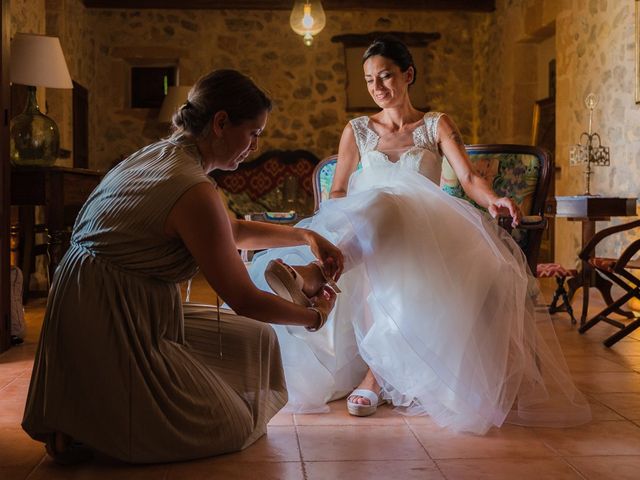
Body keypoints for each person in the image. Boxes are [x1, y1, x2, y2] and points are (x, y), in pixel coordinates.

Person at [249, 36, 591, 434]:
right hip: (361, 229)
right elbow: (338, 190)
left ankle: (320, 285)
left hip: (425, 232)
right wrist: (340, 219)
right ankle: (358, 348)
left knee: (389, 206)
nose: (377, 87)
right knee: (377, 211)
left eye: (386, 76)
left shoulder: (435, 125)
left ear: (408, 75)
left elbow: (467, 178)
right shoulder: (357, 130)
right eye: (369, 80)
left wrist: (495, 199)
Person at [22, 69, 343, 464]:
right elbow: (243, 299)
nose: (256, 145)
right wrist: (313, 317)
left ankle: (91, 410)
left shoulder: (159, 153)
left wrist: (305, 235)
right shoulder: (191, 185)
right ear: (221, 122)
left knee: (257, 342)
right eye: (253, 133)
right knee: (232, 424)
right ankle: (90, 419)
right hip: (110, 314)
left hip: (103, 298)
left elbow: (233, 230)